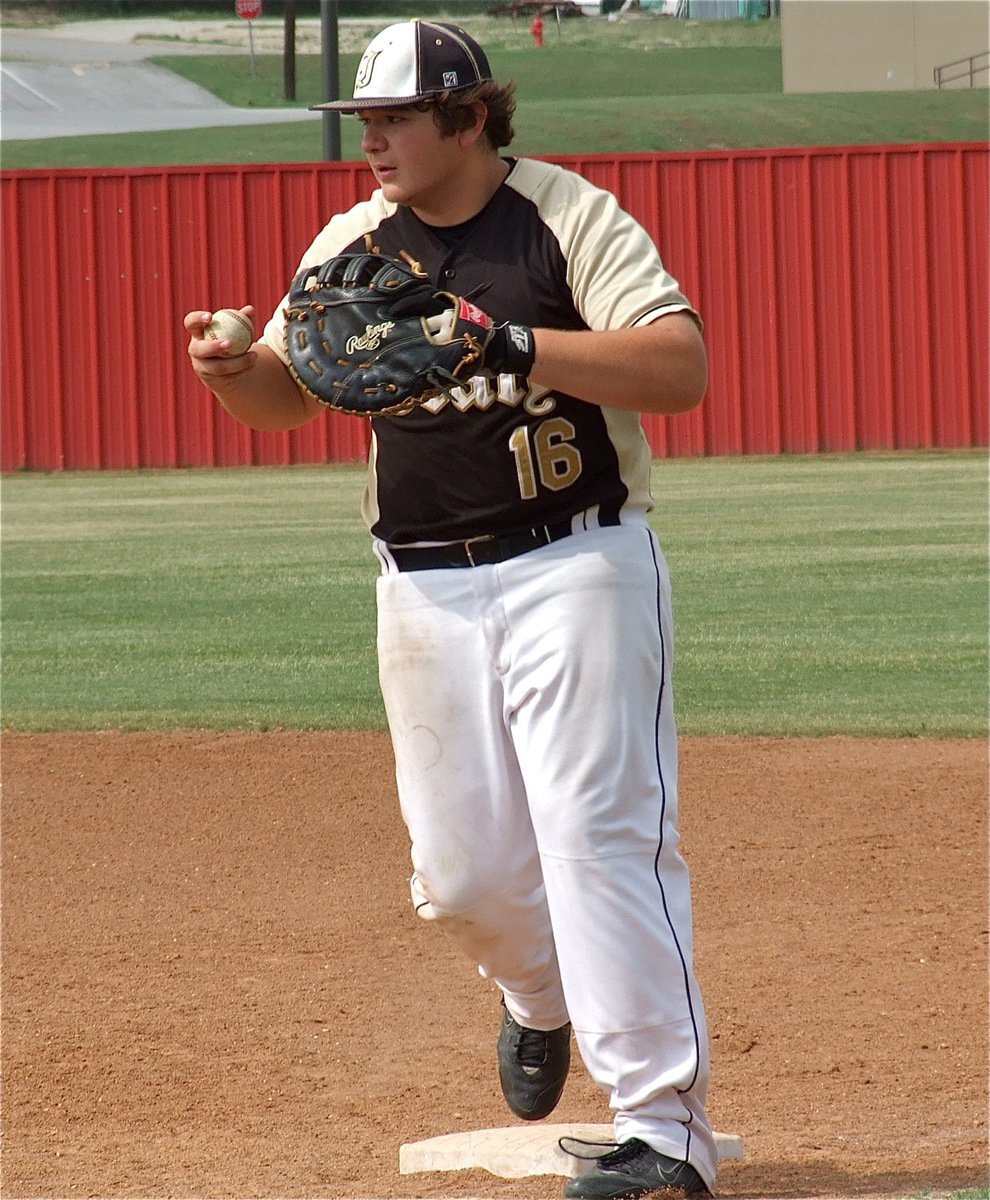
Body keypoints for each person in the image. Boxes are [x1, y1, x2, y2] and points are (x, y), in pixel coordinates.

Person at [184, 19, 717, 1199]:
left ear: (470, 117)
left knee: (600, 837)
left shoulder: (564, 217)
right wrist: (233, 367)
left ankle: (664, 1129)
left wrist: (516, 340)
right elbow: (289, 394)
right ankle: (539, 999)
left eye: (394, 119)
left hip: (576, 562)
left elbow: (678, 369)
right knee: (464, 877)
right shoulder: (352, 243)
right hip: (422, 582)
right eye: (363, 123)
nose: (370, 141)